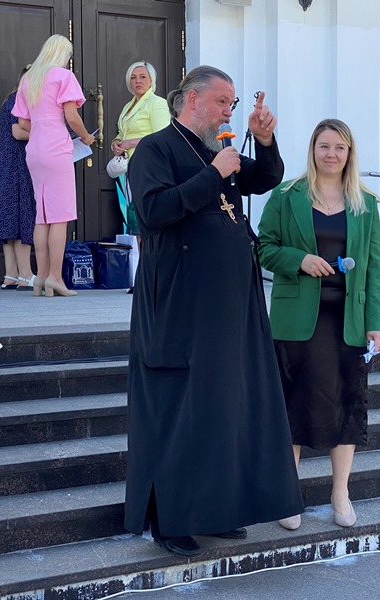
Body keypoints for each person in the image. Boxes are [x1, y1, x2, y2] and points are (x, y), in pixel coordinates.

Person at [124, 65, 304, 558]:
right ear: (192, 100)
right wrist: (214, 174)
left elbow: (265, 178)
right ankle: (173, 520)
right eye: (223, 102)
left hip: (229, 303)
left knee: (224, 406)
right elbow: (154, 212)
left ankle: (217, 510)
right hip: (180, 303)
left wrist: (263, 141)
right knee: (182, 409)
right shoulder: (156, 149)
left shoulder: (215, 151)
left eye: (233, 103)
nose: (229, 111)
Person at [258, 118, 380, 531]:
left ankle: (340, 493)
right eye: (324, 146)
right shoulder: (286, 196)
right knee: (293, 407)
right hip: (297, 322)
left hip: (347, 322)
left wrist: (377, 323)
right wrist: (299, 260)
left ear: (350, 154)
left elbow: (374, 270)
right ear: (313, 149)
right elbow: (263, 247)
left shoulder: (366, 203)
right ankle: (287, 494)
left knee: (348, 406)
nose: (332, 154)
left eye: (340, 147)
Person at [12, 34, 95, 297]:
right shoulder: (63, 76)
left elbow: (23, 123)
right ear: (63, 55)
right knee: (59, 217)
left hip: (35, 150)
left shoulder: (29, 79)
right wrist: (86, 137)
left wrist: (42, 126)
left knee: (42, 217)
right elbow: (72, 116)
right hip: (56, 148)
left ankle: (40, 278)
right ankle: (55, 278)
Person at [0, 65, 36, 291]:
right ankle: (26, 274)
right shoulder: (22, 101)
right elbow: (18, 132)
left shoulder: (10, 99)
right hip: (17, 165)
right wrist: (49, 133)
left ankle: (11, 274)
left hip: (4, 165)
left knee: (9, 220)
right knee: (22, 217)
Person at [111, 61, 171, 238]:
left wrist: (130, 143)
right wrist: (116, 142)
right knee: (136, 219)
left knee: (144, 216)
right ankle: (141, 255)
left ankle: (149, 255)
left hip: (149, 167)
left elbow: (162, 137)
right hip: (132, 167)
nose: (138, 81)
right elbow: (122, 132)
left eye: (143, 77)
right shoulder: (128, 106)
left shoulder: (157, 103)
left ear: (152, 80)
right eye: (133, 77)